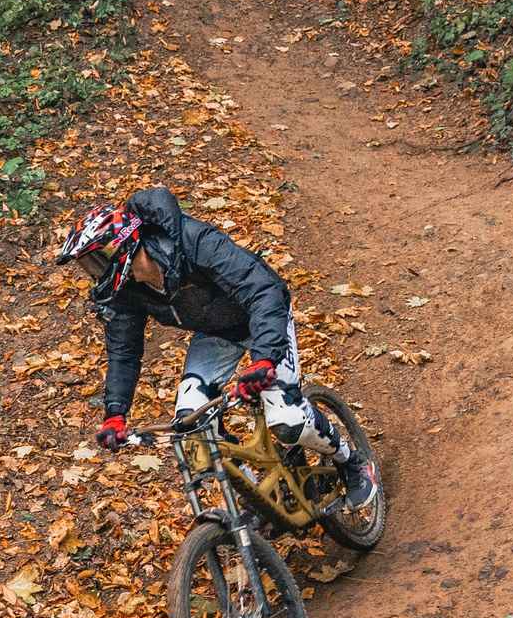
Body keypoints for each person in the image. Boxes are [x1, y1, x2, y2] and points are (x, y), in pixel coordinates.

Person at [56, 188, 377, 510]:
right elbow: (124, 352)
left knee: (287, 419)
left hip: (261, 317)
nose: (94, 274)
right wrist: (115, 414)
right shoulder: (126, 292)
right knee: (193, 433)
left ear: (121, 246)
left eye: (96, 262)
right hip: (214, 335)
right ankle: (261, 501)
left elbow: (264, 289)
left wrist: (264, 357)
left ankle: (351, 462)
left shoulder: (192, 242)